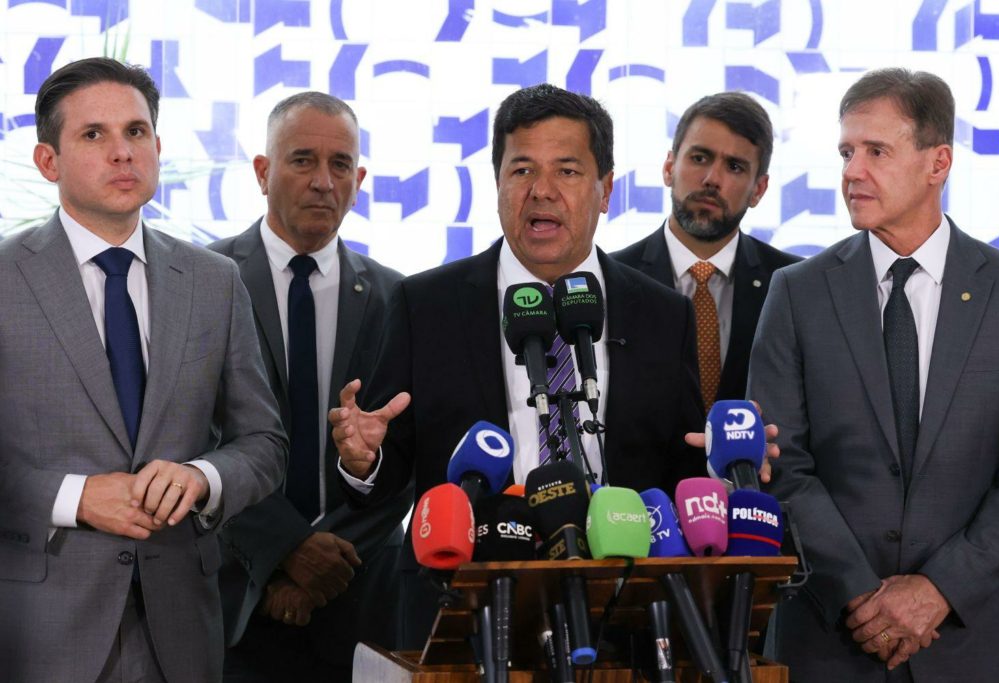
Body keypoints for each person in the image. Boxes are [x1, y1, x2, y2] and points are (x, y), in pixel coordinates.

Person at [330, 83, 708, 649]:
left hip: (622, 604)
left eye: (567, 171)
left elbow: (682, 466)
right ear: (498, 184)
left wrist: (729, 469)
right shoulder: (426, 304)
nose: (542, 191)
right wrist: (364, 459)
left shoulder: (662, 313)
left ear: (606, 189)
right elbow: (387, 474)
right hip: (460, 599)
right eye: (522, 170)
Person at [0, 57, 287, 683]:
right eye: (93, 134)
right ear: (48, 161)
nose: (122, 152)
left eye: (136, 131)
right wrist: (74, 498)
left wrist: (203, 477)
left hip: (181, 629)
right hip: (38, 632)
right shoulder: (5, 278)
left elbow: (264, 443)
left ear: (157, 145)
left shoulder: (214, 281)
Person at [749, 68, 999, 682]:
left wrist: (938, 590)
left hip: (972, 644)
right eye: (846, 152)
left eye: (876, 151)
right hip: (829, 638)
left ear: (938, 163)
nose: (852, 171)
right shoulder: (796, 293)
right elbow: (780, 463)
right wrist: (859, 596)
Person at [210, 92, 410, 683]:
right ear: (262, 172)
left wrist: (321, 565)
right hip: (230, 592)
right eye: (302, 160)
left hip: (362, 595)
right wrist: (285, 551)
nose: (323, 181)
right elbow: (188, 436)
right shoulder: (201, 282)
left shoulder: (399, 298)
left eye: (340, 164)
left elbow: (408, 452)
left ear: (358, 180)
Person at [613, 92, 800, 411]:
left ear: (759, 189)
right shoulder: (612, 280)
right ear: (669, 167)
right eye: (700, 158)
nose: (712, 179)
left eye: (735, 167)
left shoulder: (794, 287)